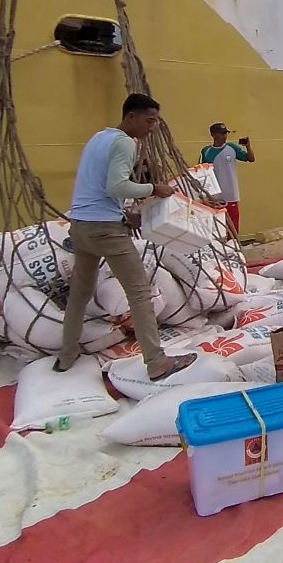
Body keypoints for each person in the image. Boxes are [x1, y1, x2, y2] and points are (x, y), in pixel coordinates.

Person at [55, 94, 196, 381]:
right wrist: (153, 188)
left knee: (80, 295)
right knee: (140, 293)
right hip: (106, 232)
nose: (152, 127)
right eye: (149, 120)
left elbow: (97, 189)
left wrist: (126, 216)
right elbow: (116, 186)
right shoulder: (124, 143)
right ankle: (156, 362)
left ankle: (66, 356)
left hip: (81, 227)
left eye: (155, 121)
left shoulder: (98, 138)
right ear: (130, 117)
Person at [200, 123, 255, 236]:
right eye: (221, 133)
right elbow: (203, 172)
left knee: (233, 227)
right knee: (217, 227)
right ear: (213, 135)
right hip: (214, 197)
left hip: (231, 195)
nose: (224, 136)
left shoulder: (232, 148)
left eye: (225, 133)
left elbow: (251, 159)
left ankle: (233, 249)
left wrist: (248, 146)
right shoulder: (206, 151)